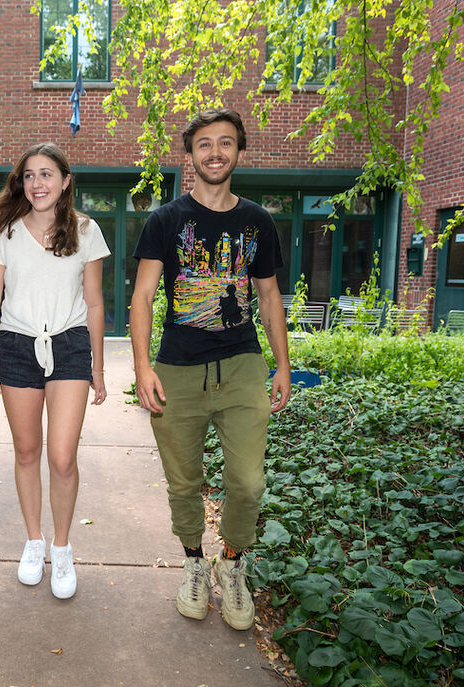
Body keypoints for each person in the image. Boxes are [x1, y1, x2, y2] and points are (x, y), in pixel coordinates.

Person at [129, 108, 292, 631]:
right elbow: (143, 296)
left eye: (225, 143)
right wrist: (141, 366)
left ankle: (235, 563)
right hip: (177, 366)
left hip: (242, 364)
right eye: (205, 144)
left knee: (247, 482)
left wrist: (282, 365)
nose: (215, 152)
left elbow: (268, 298)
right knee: (184, 481)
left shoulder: (258, 221)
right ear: (190, 155)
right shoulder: (165, 220)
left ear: (239, 151)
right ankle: (195, 562)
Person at [0, 142, 109, 599]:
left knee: (62, 457)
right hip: (16, 348)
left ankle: (63, 546)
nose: (38, 183)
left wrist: (99, 368)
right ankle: (34, 541)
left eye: (47, 174)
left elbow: (94, 302)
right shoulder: (3, 234)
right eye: (29, 175)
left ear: (65, 181)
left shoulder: (87, 231)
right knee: (28, 452)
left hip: (69, 346)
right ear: (21, 183)